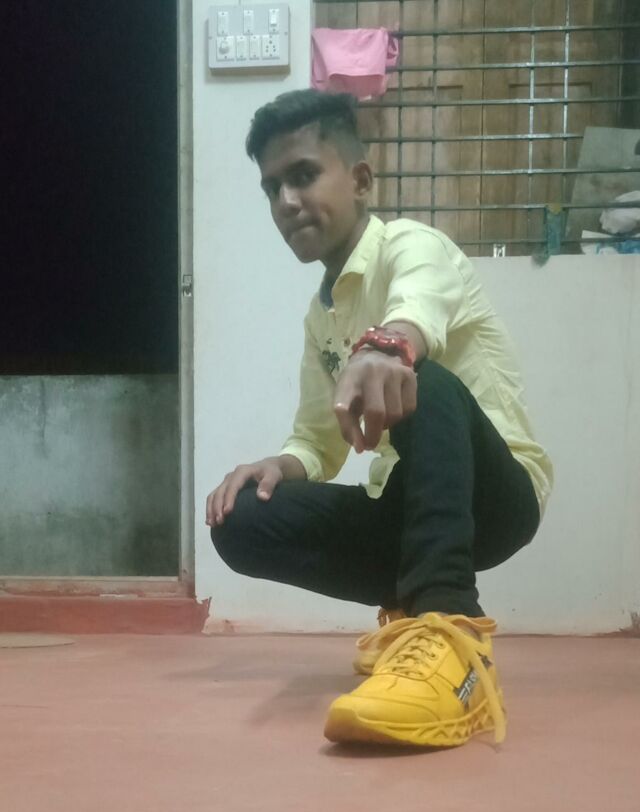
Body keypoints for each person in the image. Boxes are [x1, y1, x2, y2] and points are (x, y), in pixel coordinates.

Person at [206, 89, 553, 748]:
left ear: (361, 180)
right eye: (272, 187)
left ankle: (450, 632)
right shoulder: (322, 316)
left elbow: (415, 313)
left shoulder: (413, 246)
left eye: (303, 175)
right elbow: (317, 440)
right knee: (242, 518)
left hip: (497, 495)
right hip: (408, 509)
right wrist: (279, 464)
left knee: (424, 379)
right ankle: (409, 617)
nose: (286, 201)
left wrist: (388, 346)